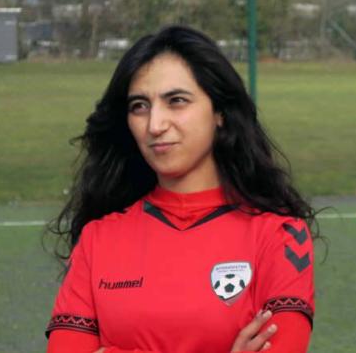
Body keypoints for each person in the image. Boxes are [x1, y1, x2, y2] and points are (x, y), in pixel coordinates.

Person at [46, 26, 315, 353]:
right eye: (139, 106)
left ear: (219, 111)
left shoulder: (280, 236)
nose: (155, 125)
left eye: (176, 101)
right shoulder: (97, 239)